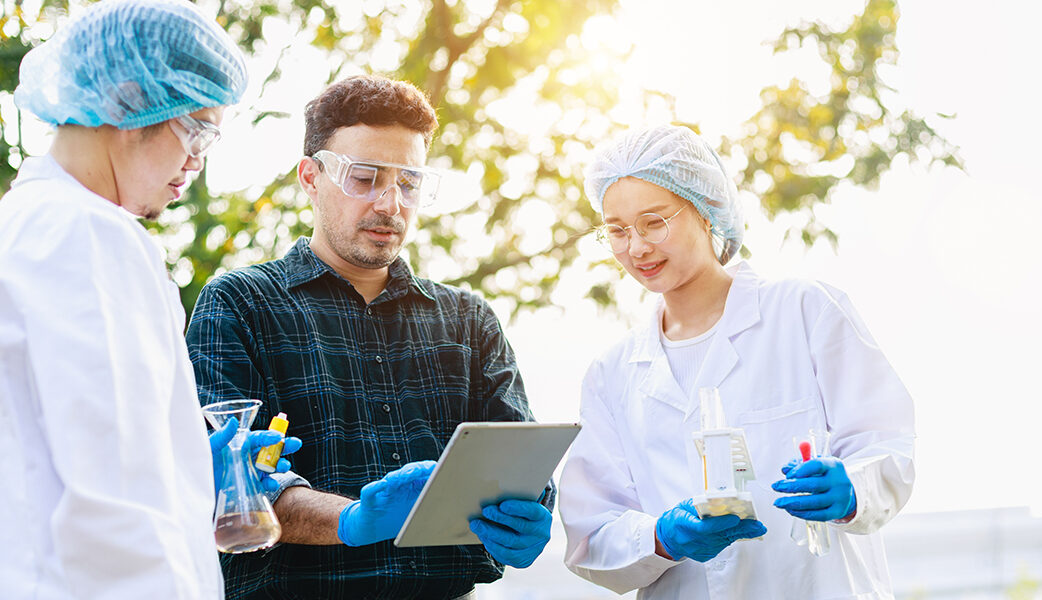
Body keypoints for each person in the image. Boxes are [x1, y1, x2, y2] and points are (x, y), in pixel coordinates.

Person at [185, 74, 554, 600]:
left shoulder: (468, 320)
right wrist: (353, 520)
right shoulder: (240, 304)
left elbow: (523, 463)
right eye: (365, 177)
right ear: (310, 178)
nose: (390, 204)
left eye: (408, 182)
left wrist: (531, 511)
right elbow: (228, 488)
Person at [0, 1, 299, 598]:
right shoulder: (89, 233)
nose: (198, 158)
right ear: (132, 103)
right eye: (198, 128)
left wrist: (184, 462)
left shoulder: (29, 224)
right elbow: (113, 507)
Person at [559, 125, 916, 598]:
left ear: (706, 211)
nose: (637, 247)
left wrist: (852, 488)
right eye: (618, 230)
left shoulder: (805, 311)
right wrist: (660, 538)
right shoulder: (611, 374)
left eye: (654, 221)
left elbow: (887, 443)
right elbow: (591, 533)